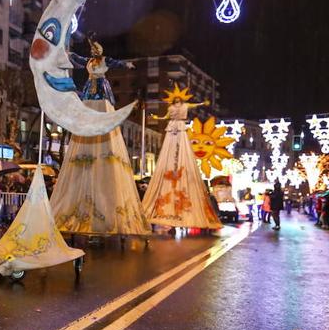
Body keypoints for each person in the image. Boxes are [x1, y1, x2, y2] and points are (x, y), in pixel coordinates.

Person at [50, 37, 151, 238]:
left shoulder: (104, 61)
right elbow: (76, 59)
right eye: (93, 48)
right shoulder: (88, 62)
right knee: (88, 118)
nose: (94, 50)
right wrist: (64, 53)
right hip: (89, 94)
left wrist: (127, 64)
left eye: (96, 48)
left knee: (102, 117)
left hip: (101, 94)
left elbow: (115, 62)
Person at [142, 84, 222, 230]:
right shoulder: (170, 109)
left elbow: (192, 105)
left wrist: (203, 103)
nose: (178, 100)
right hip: (172, 129)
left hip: (180, 130)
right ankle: (167, 215)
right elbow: (165, 117)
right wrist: (156, 116)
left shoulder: (185, 106)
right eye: (176, 99)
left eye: (179, 98)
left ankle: (179, 215)